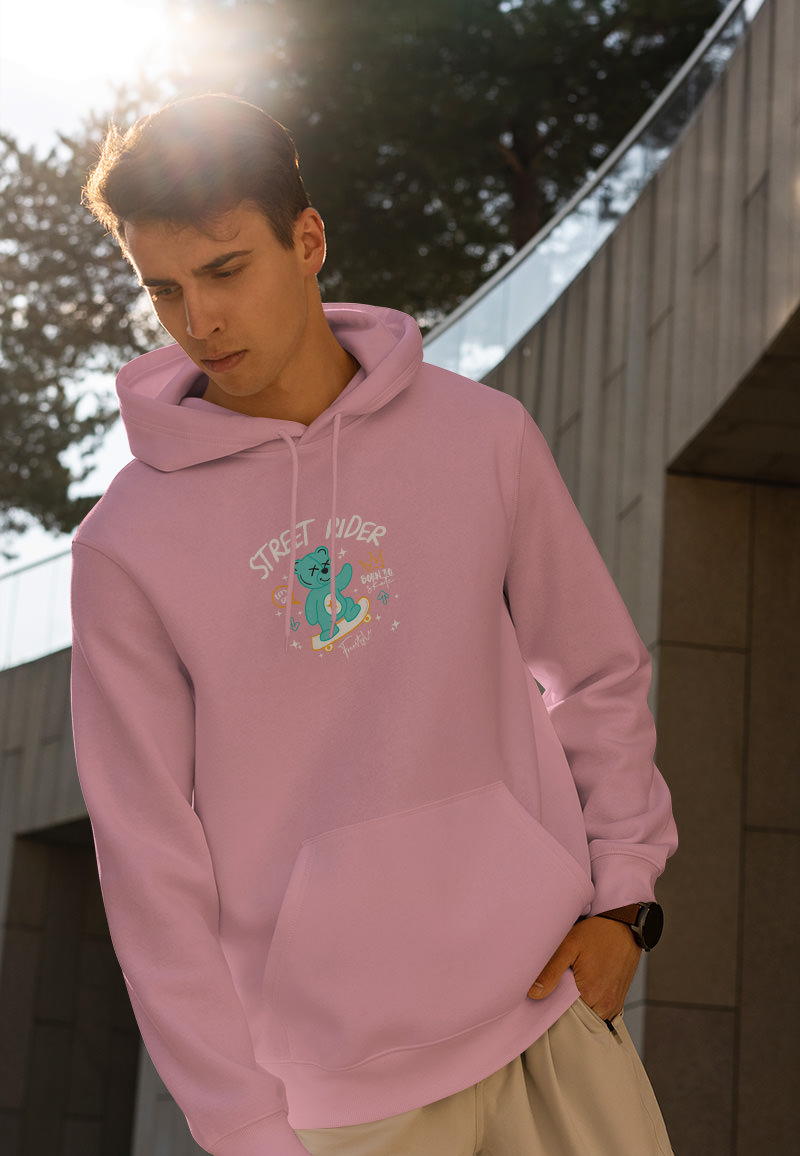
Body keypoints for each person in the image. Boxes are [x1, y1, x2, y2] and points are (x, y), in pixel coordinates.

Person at [71, 93, 677, 1156]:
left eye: (225, 270)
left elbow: (593, 673)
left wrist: (624, 900)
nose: (198, 320)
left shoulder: (481, 436)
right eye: (163, 289)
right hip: (342, 1104)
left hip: (550, 1013)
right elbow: (147, 860)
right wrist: (244, 1125)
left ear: (307, 241)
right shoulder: (129, 543)